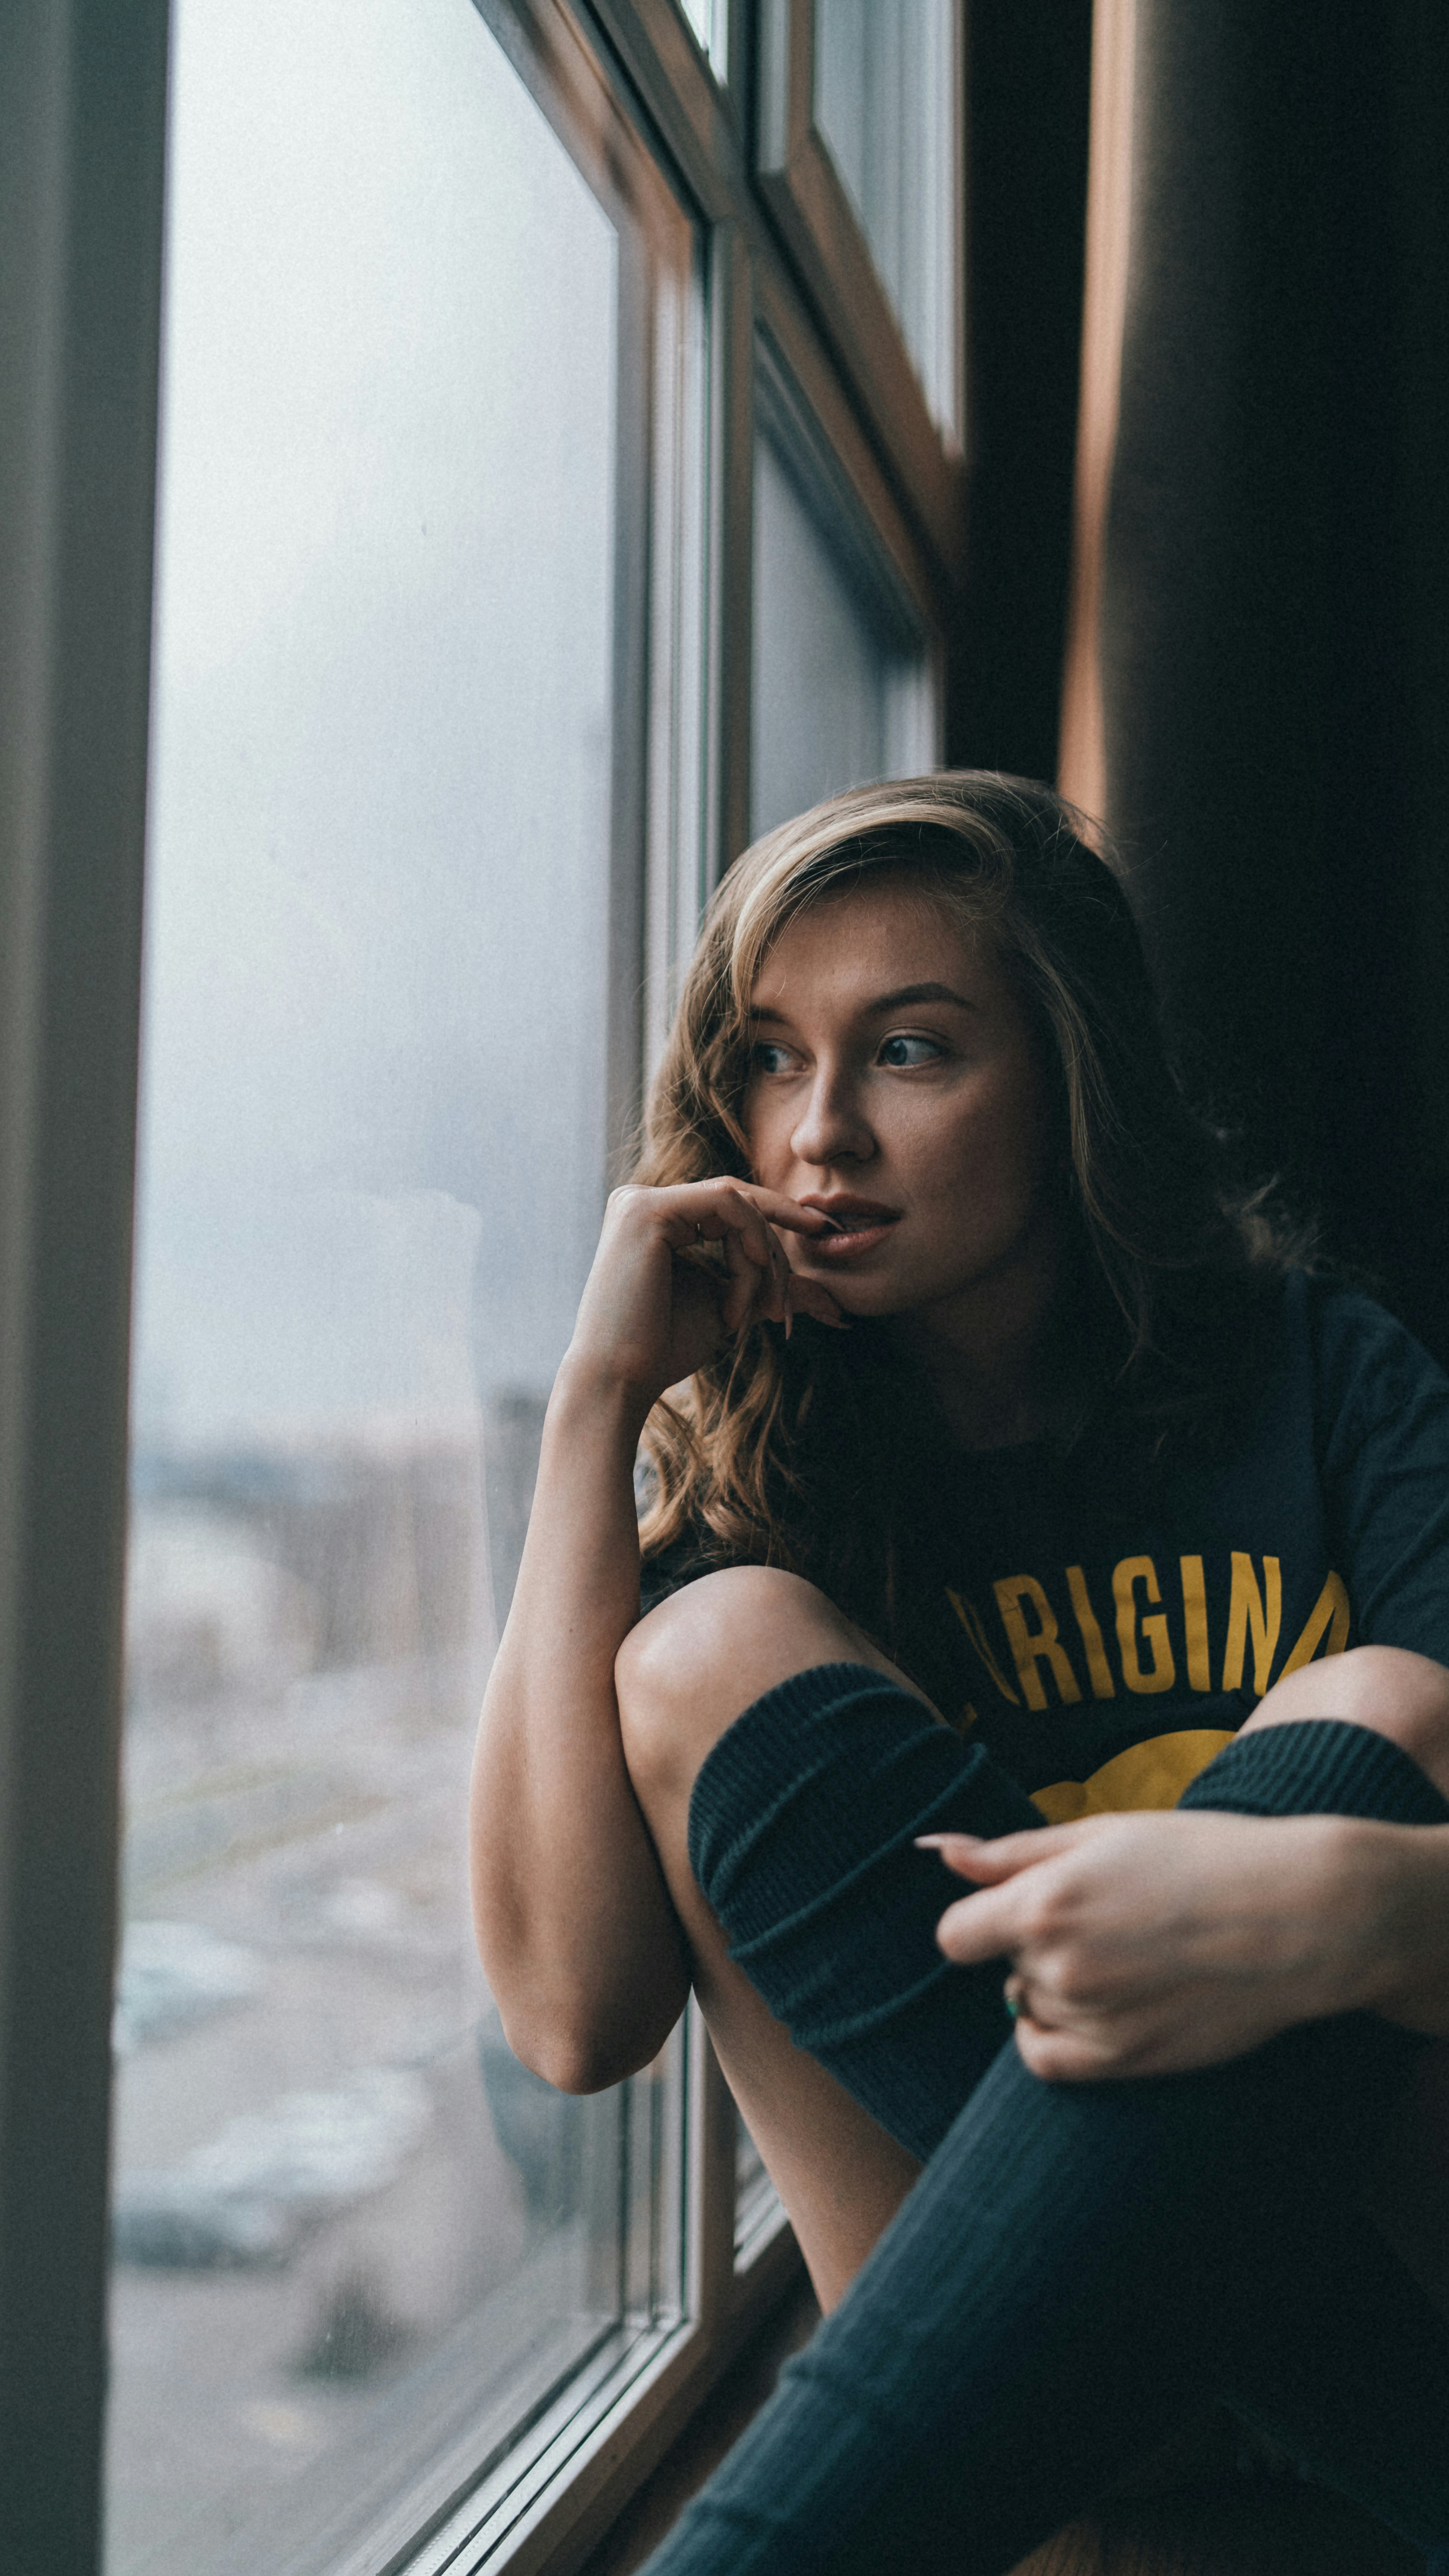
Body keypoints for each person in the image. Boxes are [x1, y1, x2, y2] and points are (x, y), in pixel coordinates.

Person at [470, 773, 1449, 2572]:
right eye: (769, 1059)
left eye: (910, 1051)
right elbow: (571, 2019)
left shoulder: (1320, 1379)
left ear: (1070, 1073)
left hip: (1377, 2240)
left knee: (1382, 1713)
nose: (819, 1132)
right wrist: (594, 1405)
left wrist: (1356, 1905)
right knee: (706, 1652)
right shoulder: (771, 1485)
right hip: (1017, 2450)